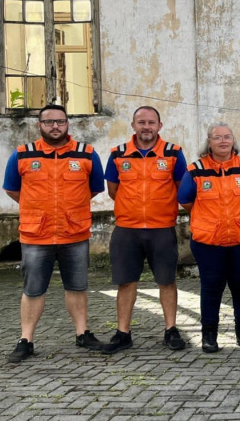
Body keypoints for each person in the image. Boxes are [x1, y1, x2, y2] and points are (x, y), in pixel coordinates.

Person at [4, 104, 105, 363]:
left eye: (60, 121)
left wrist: (69, 210)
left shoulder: (87, 154)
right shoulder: (22, 155)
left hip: (74, 233)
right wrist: (39, 210)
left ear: (68, 123)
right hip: (37, 235)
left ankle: (82, 334)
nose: (55, 127)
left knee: (77, 286)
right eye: (49, 122)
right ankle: (26, 339)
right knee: (33, 289)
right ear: (39, 125)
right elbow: (13, 190)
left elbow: (93, 189)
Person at [102, 106, 187, 354]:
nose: (146, 127)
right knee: (126, 282)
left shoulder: (173, 154)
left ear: (159, 126)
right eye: (141, 122)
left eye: (151, 122)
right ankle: (123, 333)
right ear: (133, 125)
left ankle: (171, 330)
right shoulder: (118, 154)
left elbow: (181, 189)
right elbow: (113, 190)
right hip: (127, 229)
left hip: (162, 228)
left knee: (167, 280)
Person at [178, 123, 240, 353]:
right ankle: (209, 336)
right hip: (208, 242)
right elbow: (185, 200)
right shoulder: (196, 169)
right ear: (209, 142)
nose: (223, 141)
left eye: (227, 137)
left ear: (233, 140)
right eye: (217, 137)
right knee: (211, 286)